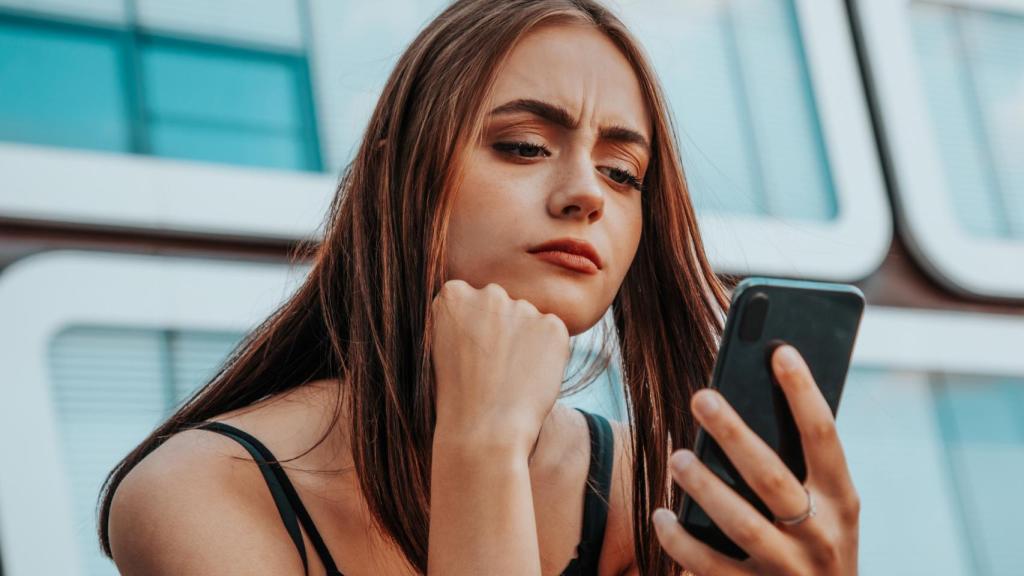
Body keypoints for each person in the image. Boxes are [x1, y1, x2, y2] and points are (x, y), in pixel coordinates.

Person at [98, 1, 860, 574]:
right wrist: (482, 447)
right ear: (406, 180)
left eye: (623, 173)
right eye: (525, 146)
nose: (585, 194)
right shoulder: (200, 491)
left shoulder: (650, 494)